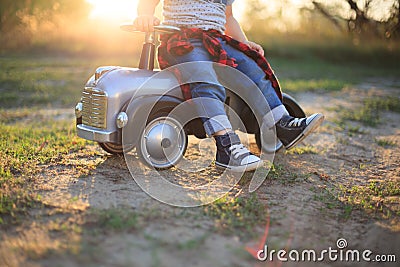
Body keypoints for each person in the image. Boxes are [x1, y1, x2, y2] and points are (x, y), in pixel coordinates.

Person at [133, 0, 324, 172]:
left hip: (217, 41)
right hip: (183, 41)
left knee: (253, 69)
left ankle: (281, 124)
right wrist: (145, 14)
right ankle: (227, 146)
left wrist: (243, 42)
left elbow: (228, 17)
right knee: (204, 79)